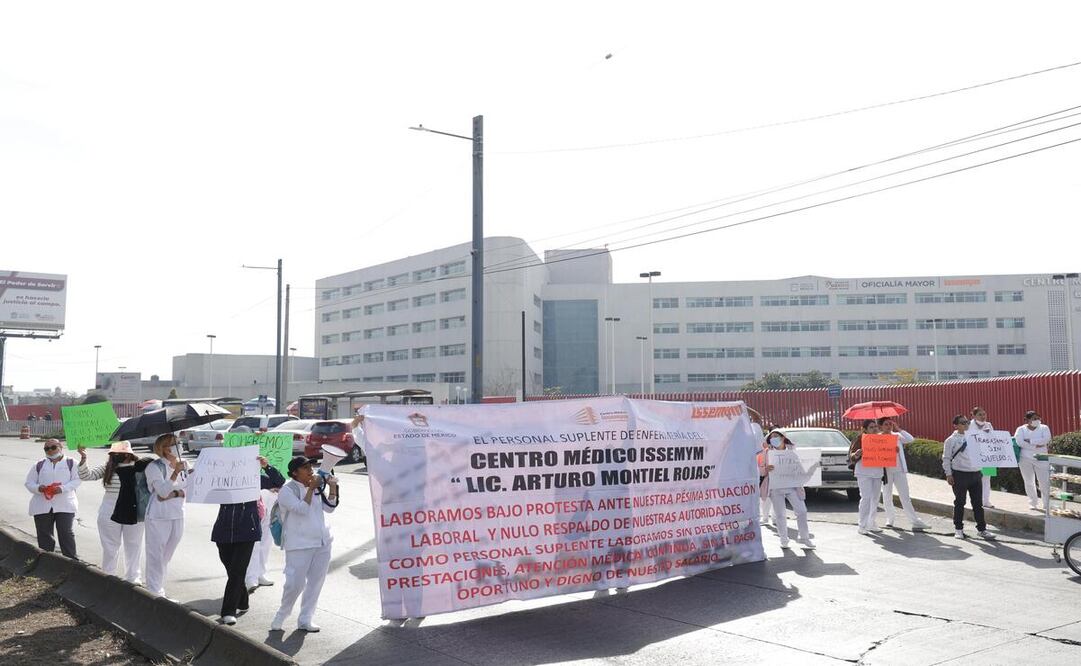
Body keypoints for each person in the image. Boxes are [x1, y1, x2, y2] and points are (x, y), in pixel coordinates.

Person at [212, 455, 282, 625]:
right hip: (224, 530)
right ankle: (243, 601)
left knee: (237, 571)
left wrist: (267, 466)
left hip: (247, 530)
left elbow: (279, 482)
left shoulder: (256, 480)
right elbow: (200, 486)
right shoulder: (222, 480)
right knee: (232, 569)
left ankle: (228, 611)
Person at [272, 456, 338, 633]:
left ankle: (305, 619)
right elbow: (301, 509)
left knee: (316, 582)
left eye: (311, 466)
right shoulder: (287, 490)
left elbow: (330, 507)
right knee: (295, 583)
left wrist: (332, 487)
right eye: (306, 467)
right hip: (299, 544)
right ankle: (282, 613)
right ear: (295, 472)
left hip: (322, 541)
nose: (311, 470)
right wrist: (312, 489)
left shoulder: (314, 485)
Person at [77, 441, 151, 582]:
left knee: (133, 546)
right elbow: (86, 476)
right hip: (110, 510)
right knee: (110, 547)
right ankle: (108, 577)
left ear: (129, 454)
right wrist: (83, 458)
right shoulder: (108, 467)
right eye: (115, 453)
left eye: (121, 453)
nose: (118, 456)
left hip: (134, 510)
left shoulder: (141, 468)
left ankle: (133, 578)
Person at [144, 433, 189, 599]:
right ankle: (154, 593)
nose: (179, 446)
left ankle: (158, 588)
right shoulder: (154, 467)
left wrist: (177, 493)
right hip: (158, 516)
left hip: (178, 514)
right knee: (156, 554)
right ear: (164, 448)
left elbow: (191, 488)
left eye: (179, 443)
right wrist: (175, 473)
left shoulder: (185, 464)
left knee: (167, 555)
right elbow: (162, 493)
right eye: (175, 444)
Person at [758, 430, 815, 549]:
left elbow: (800, 469)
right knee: (780, 514)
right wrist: (766, 469)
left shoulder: (792, 452)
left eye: (776, 436)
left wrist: (813, 467)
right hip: (775, 487)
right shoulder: (767, 453)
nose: (773, 439)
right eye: (771, 437)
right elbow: (760, 470)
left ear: (783, 438)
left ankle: (804, 538)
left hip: (793, 487)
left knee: (802, 511)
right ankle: (784, 539)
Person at [24, 439, 80, 558]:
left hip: (65, 505)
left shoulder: (71, 462)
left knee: (66, 533)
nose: (50, 450)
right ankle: (46, 563)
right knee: (45, 536)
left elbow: (77, 480)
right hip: (42, 505)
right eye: (47, 448)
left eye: (53, 447)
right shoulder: (39, 464)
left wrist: (62, 488)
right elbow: (29, 483)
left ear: (60, 447)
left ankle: (72, 564)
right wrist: (39, 488)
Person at [943, 414, 996, 540]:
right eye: (962, 422)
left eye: (967, 422)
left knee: (978, 503)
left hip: (976, 474)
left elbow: (985, 448)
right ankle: (958, 529)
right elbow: (946, 458)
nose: (966, 424)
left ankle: (982, 529)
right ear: (956, 425)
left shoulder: (975, 437)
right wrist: (948, 474)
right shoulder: (951, 440)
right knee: (960, 502)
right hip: (960, 474)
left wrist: (989, 436)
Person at [877, 417, 930, 531]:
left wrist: (898, 429)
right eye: (886, 424)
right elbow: (876, 454)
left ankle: (915, 521)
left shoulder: (897, 435)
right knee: (887, 495)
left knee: (905, 496)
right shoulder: (878, 438)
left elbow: (910, 439)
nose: (888, 426)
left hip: (899, 470)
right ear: (881, 426)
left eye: (890, 424)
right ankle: (890, 519)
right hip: (885, 471)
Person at [245, 456, 287, 592]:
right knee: (254, 546)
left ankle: (260, 574)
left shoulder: (261, 478)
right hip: (249, 514)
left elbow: (280, 481)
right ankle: (250, 578)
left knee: (265, 544)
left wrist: (266, 466)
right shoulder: (241, 480)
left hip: (267, 513)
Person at [849, 420, 893, 535]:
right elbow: (851, 455)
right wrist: (857, 454)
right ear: (865, 429)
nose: (874, 429)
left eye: (875, 427)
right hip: (863, 472)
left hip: (877, 472)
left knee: (875, 499)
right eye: (871, 427)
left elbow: (886, 453)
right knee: (866, 498)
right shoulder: (860, 439)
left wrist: (892, 451)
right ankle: (862, 525)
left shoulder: (881, 439)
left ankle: (871, 523)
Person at [1014, 410, 1052, 512]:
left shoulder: (1044, 428)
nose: (1037, 420)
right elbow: (1020, 442)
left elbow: (1046, 439)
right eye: (1034, 419)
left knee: (1044, 481)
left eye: (1038, 418)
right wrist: (1037, 445)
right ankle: (1033, 503)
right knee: (1029, 481)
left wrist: (1030, 441)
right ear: (1027, 420)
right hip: (1025, 458)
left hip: (1042, 457)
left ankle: (1047, 504)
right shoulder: (1020, 429)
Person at [967, 407, 995, 508]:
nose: (983, 417)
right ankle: (976, 500)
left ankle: (986, 501)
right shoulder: (968, 425)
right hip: (974, 456)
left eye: (984, 414)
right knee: (975, 479)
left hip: (988, 456)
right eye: (980, 414)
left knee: (987, 479)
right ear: (973, 415)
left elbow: (993, 439)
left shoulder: (989, 425)